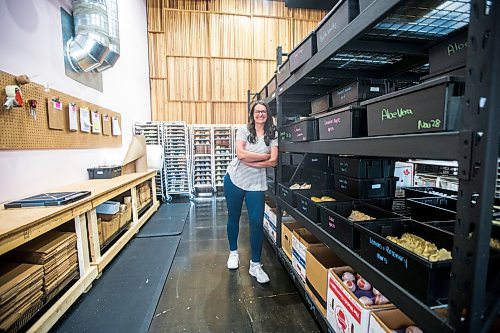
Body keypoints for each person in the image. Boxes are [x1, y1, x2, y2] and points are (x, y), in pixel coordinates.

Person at [224, 100, 278, 283]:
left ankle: (255, 265)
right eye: (257, 111)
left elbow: (274, 161)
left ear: (268, 114)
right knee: (234, 216)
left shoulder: (273, 133)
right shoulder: (244, 130)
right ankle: (233, 253)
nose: (260, 114)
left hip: (256, 183)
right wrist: (264, 156)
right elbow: (240, 154)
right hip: (235, 179)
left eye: (263, 111)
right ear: (252, 114)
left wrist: (254, 159)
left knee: (256, 222)